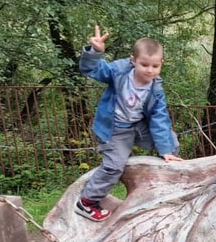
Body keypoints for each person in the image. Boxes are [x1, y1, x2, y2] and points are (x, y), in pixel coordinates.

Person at [75, 25, 184, 222]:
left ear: (161, 64)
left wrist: (165, 150)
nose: (149, 70)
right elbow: (90, 69)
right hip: (115, 129)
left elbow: (159, 118)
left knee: (170, 141)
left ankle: (164, 184)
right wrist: (95, 52)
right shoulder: (119, 72)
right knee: (114, 166)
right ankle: (87, 201)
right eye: (144, 64)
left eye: (155, 66)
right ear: (133, 61)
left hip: (137, 127)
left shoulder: (156, 89)